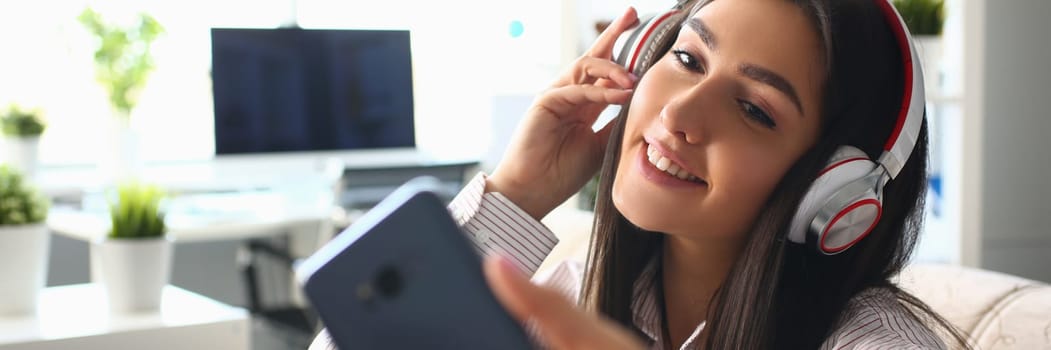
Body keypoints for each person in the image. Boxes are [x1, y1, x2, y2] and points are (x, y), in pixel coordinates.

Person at [311, 0, 972, 348]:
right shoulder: (573, 298)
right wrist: (516, 195)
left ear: (834, 194)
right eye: (686, 58)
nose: (680, 112)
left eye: (752, 108)